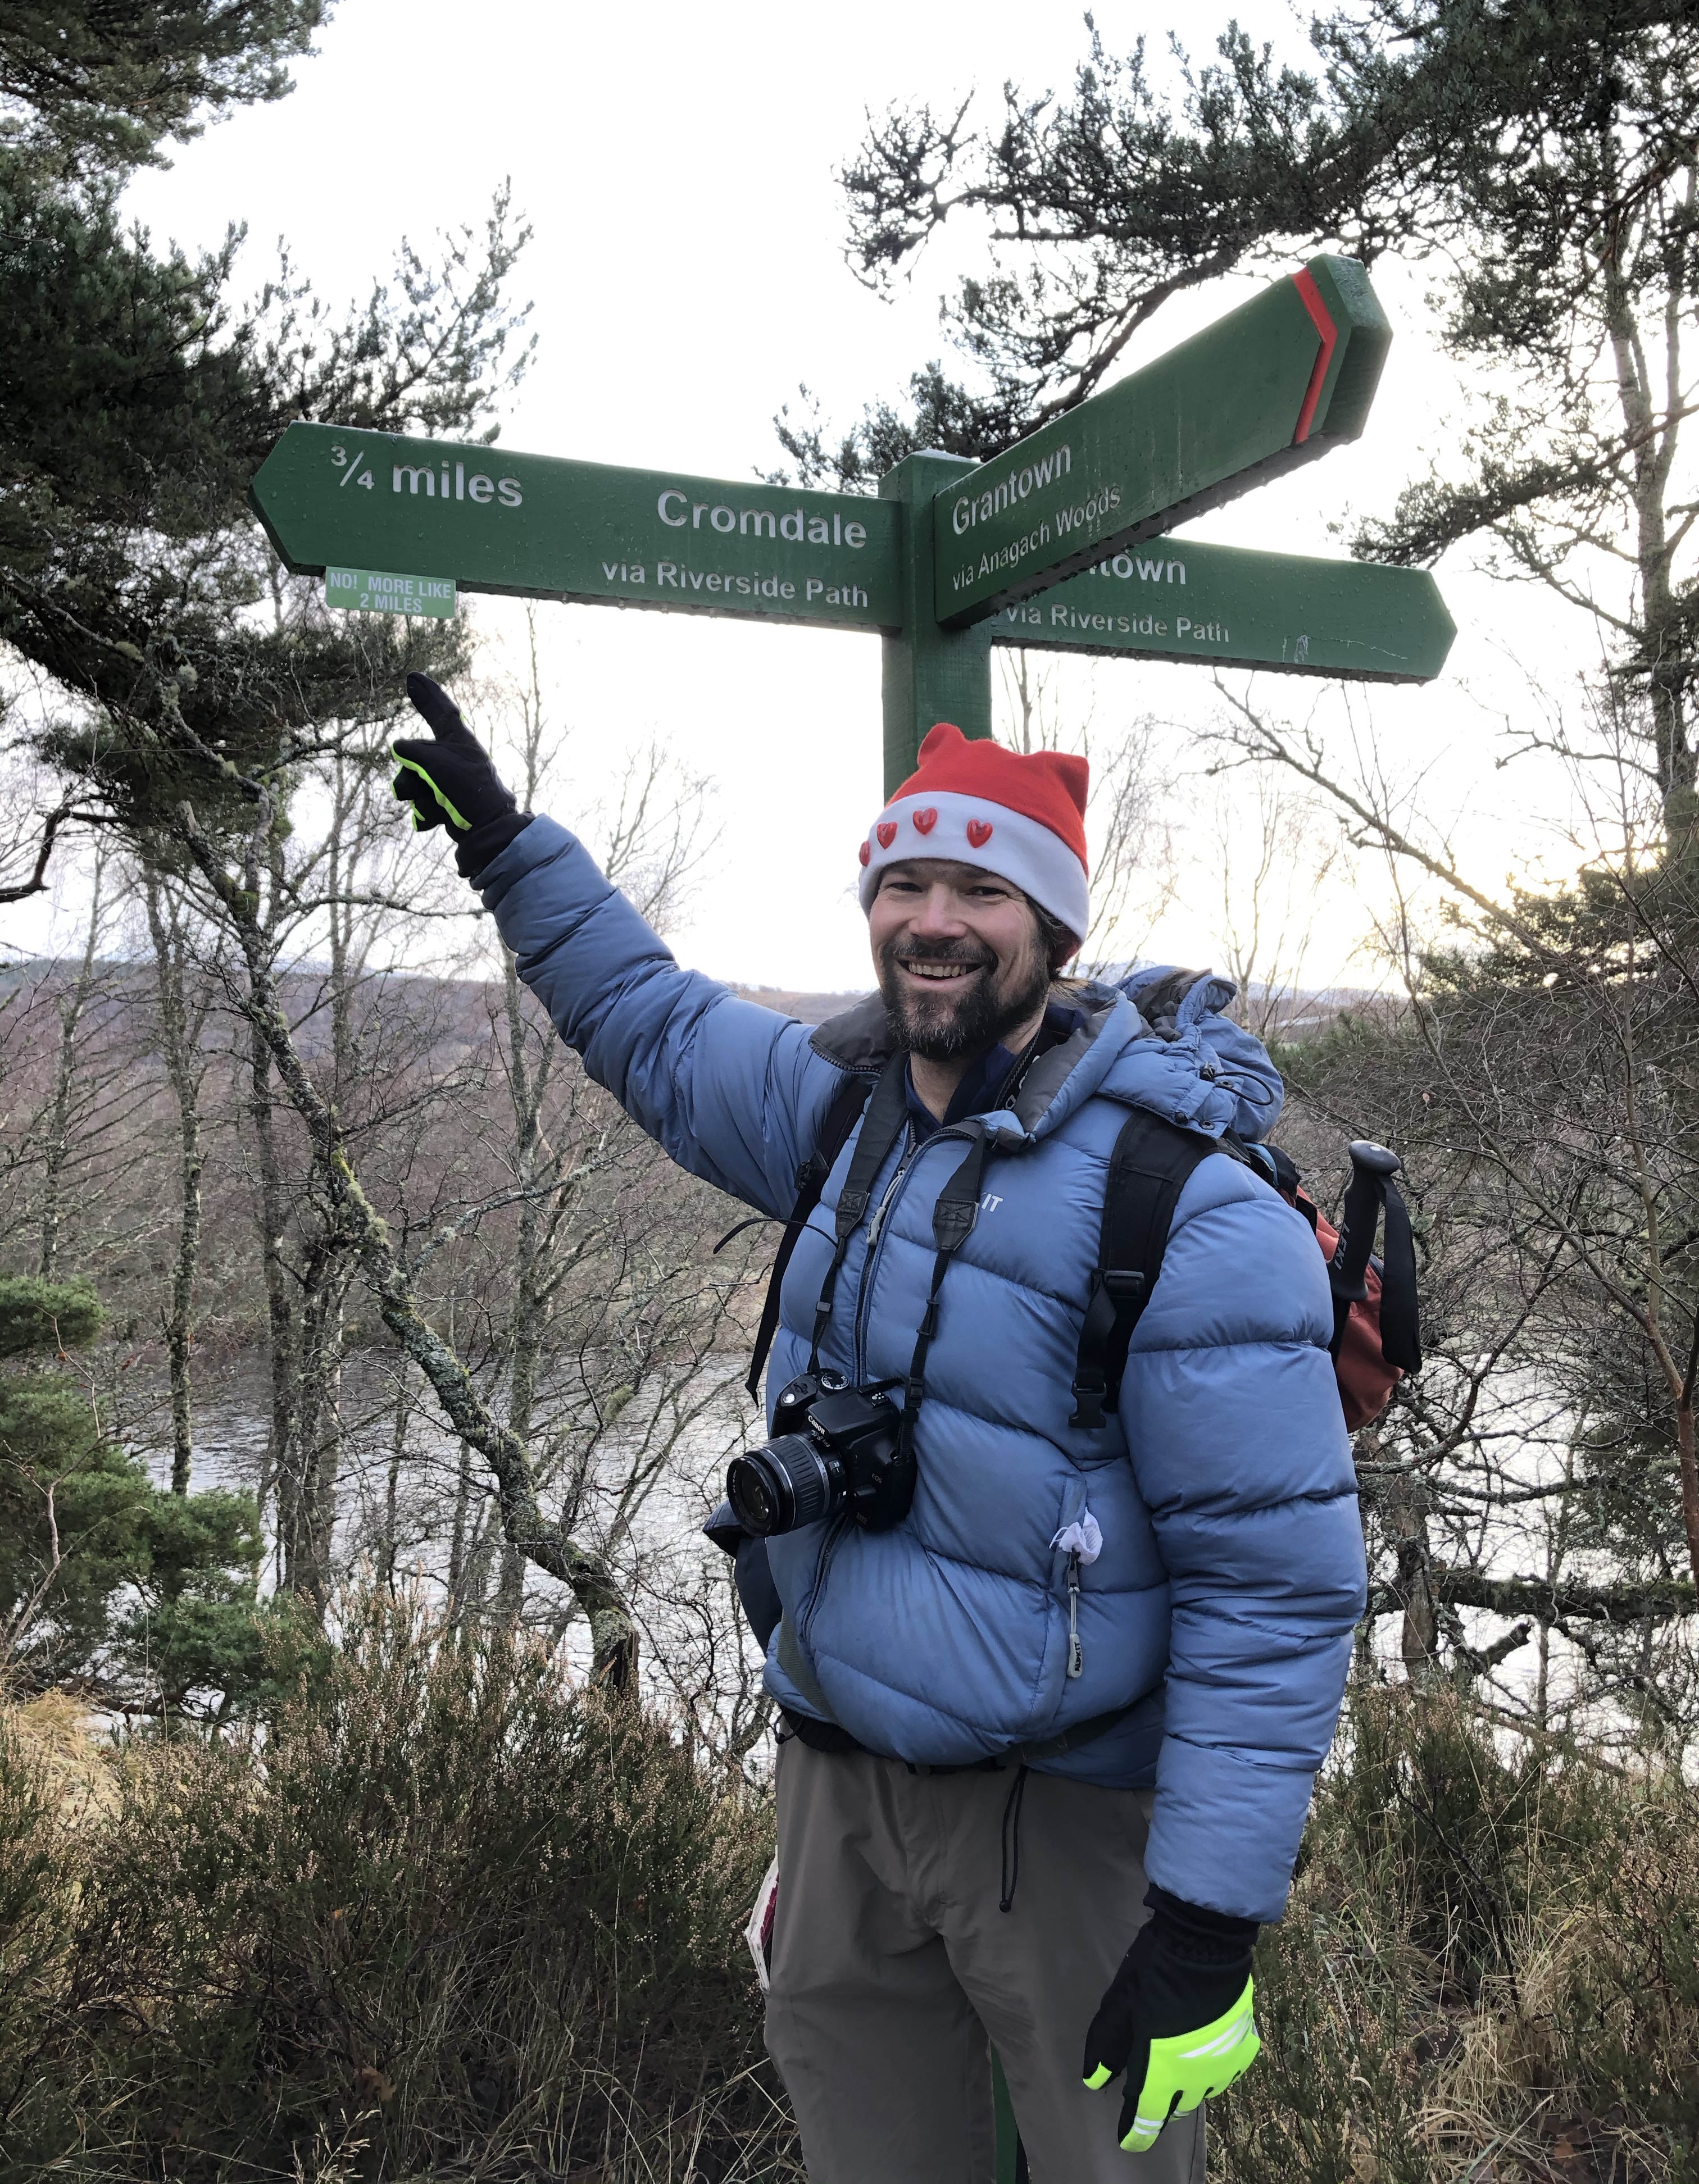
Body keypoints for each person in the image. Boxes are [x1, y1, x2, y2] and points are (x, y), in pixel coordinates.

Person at [390, 676, 1367, 2184]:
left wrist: (1207, 1920)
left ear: (1053, 929)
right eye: (906, 879)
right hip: (839, 1791)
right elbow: (646, 1022)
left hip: (1067, 1829)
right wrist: (511, 850)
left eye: (982, 885)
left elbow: (1275, 1593)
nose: (934, 916)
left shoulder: (1186, 1208)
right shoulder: (843, 1114)